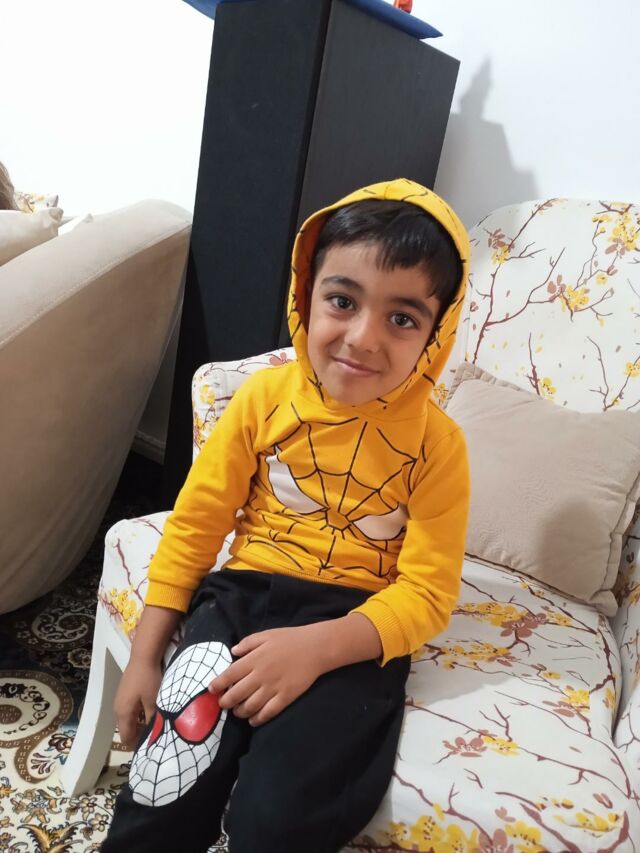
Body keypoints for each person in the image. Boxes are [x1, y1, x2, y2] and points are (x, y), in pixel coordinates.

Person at [101, 177, 470, 852]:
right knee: (164, 786)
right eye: (342, 300)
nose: (363, 338)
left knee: (281, 817)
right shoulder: (262, 399)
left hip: (357, 625)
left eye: (402, 318)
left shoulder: (439, 446)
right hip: (241, 599)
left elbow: (427, 592)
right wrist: (145, 656)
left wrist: (318, 648)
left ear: (436, 332)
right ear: (306, 296)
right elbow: (195, 525)